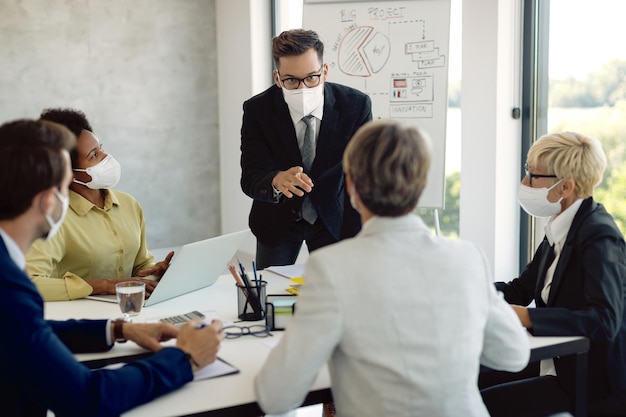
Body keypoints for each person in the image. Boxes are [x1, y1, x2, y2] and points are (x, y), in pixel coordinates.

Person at [254, 119, 530, 417]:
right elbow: (513, 354)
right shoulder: (466, 257)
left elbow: (276, 397)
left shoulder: (331, 268)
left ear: (350, 185)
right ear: (422, 185)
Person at [0, 118, 224, 417]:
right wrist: (185, 358)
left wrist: (118, 330)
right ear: (47, 202)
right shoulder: (9, 287)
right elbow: (88, 398)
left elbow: (25, 332)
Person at [481, 131, 626, 416]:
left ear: (565, 187)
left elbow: (604, 320)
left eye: (533, 175)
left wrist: (525, 316)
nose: (525, 183)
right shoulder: (559, 227)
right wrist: (471, 292)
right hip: (557, 363)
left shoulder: (599, 236)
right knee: (468, 381)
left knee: (483, 405)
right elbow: (520, 289)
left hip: (590, 383)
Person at [240, 29, 372, 269]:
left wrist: (363, 231)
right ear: (277, 78)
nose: (303, 88)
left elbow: (365, 175)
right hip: (276, 221)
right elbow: (250, 177)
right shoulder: (257, 111)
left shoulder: (355, 105)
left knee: (338, 294)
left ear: (325, 71)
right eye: (291, 80)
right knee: (270, 298)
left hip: (335, 218)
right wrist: (277, 180)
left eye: (312, 77)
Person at [25, 108, 174, 301]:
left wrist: (158, 271)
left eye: (101, 148)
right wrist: (105, 285)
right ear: (67, 172)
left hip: (132, 313)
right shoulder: (52, 216)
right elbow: (31, 283)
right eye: (93, 155)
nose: (106, 158)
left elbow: (139, 268)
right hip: (82, 323)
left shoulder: (129, 204)